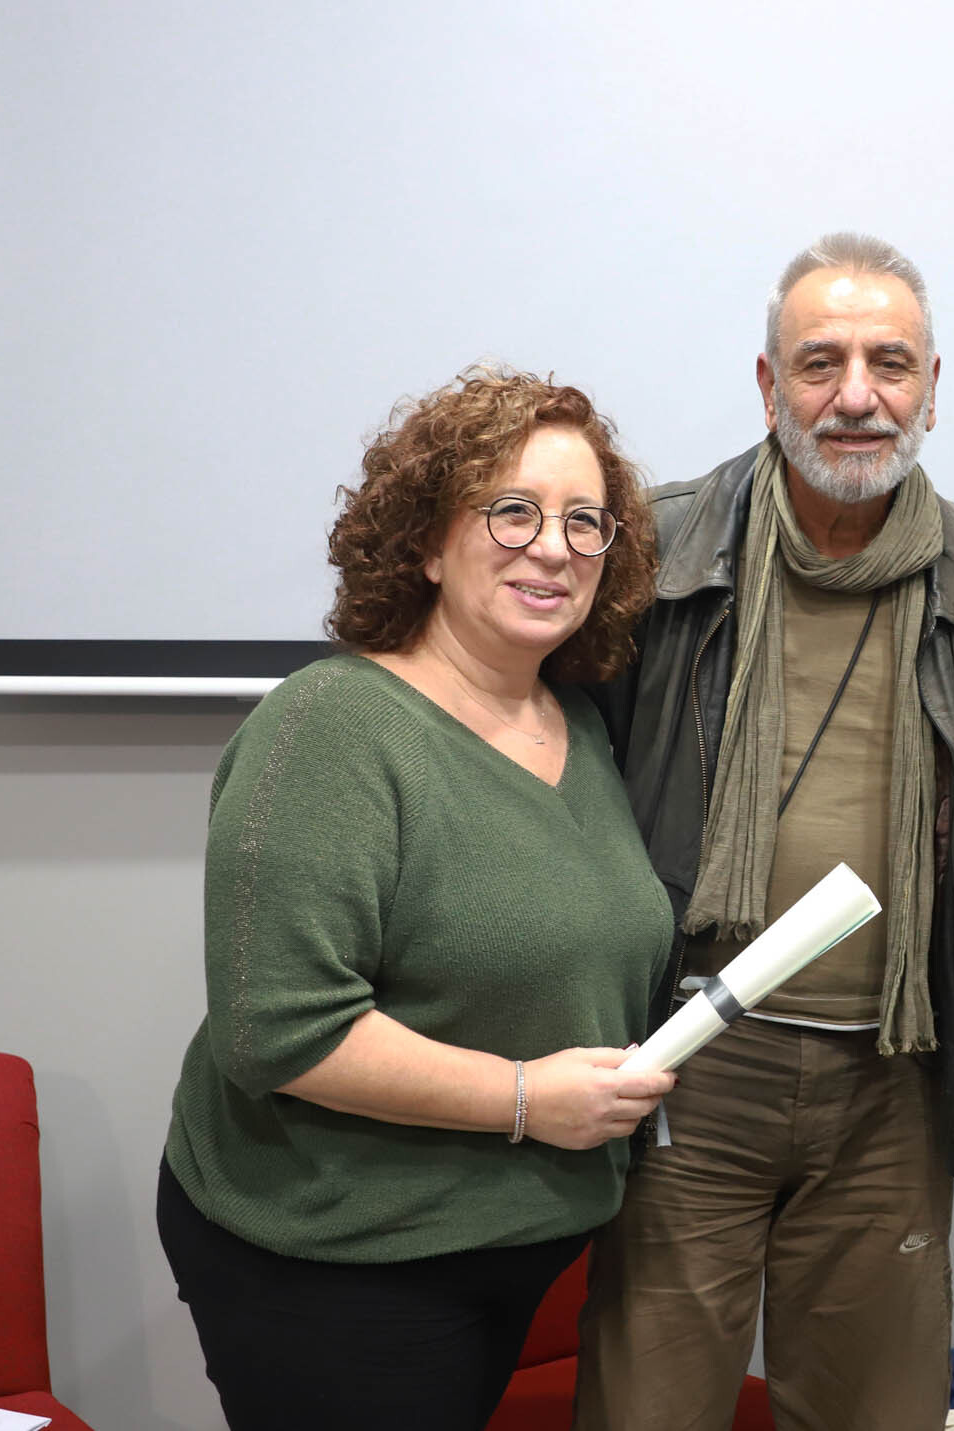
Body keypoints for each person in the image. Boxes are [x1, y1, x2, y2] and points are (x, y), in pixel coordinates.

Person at [574, 233, 954, 1431]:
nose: (856, 396)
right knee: (647, 1410)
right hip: (686, 1063)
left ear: (931, 388)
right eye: (819, 363)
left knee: (875, 1414)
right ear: (767, 386)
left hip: (891, 1075)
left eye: (889, 364)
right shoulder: (658, 556)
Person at [156, 367, 678, 1431]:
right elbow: (279, 1033)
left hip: (511, 1247)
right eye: (512, 511)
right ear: (429, 543)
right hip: (338, 1258)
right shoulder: (331, 727)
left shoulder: (578, 726)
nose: (553, 547)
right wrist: (526, 1097)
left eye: (585, 522)